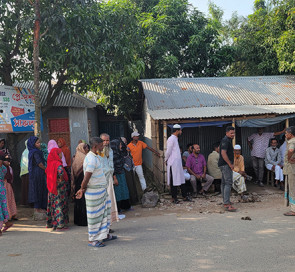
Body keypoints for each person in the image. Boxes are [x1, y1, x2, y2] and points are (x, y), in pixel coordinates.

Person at [76, 137, 117, 248]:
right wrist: (82, 188)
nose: (103, 146)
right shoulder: (91, 159)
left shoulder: (96, 156)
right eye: (101, 145)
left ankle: (104, 235)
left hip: (101, 191)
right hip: (94, 192)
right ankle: (93, 240)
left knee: (104, 214)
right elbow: (87, 177)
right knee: (95, 216)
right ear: (95, 146)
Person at [165, 124, 192, 204]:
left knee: (181, 179)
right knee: (174, 181)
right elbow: (168, 151)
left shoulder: (175, 138)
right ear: (177, 131)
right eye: (180, 130)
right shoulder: (171, 139)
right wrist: (165, 159)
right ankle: (174, 198)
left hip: (177, 163)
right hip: (173, 163)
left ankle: (184, 196)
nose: (181, 132)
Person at [46, 148, 69, 231]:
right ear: (56, 154)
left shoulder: (49, 163)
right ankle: (60, 225)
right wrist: (61, 178)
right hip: (59, 187)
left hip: (51, 188)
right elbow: (60, 172)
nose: (61, 155)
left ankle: (53, 223)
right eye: (60, 153)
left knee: (53, 205)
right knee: (59, 204)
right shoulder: (58, 164)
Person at [99, 133, 119, 224]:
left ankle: (108, 224)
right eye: (104, 141)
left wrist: (114, 178)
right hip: (101, 181)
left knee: (110, 202)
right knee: (103, 204)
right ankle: (104, 225)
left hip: (109, 179)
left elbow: (111, 166)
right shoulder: (97, 153)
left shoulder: (110, 150)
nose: (106, 142)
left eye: (107, 140)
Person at [28, 136, 48, 219]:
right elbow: (39, 163)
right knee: (38, 189)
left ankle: (39, 207)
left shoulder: (32, 151)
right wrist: (46, 169)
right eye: (37, 143)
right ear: (33, 144)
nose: (39, 144)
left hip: (36, 172)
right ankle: (38, 207)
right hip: (38, 172)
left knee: (38, 189)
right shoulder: (35, 152)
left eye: (39, 142)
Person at [218, 126, 236, 212]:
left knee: (224, 183)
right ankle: (227, 203)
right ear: (227, 133)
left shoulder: (227, 140)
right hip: (225, 165)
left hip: (223, 164)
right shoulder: (225, 140)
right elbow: (223, 153)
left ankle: (225, 200)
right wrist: (230, 164)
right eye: (231, 133)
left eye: (234, 133)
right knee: (228, 183)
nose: (233, 135)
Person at [71, 143, 89, 226]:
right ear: (82, 149)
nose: (87, 150)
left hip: (77, 182)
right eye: (86, 148)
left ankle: (78, 220)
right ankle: (84, 221)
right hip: (83, 182)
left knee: (78, 201)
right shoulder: (85, 158)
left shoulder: (75, 158)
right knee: (83, 201)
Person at [111, 138, 131, 212]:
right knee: (118, 192)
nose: (120, 146)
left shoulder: (119, 153)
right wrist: (115, 178)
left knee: (124, 190)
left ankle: (125, 206)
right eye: (119, 145)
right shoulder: (112, 155)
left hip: (121, 173)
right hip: (116, 175)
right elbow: (112, 167)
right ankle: (118, 208)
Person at [0, 151, 13, 236]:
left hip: (1, 190)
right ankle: (6, 222)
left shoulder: (3, 168)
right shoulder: (3, 168)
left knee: (2, 207)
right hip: (2, 189)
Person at [283, 126, 295, 216]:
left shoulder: (292, 142)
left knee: (292, 188)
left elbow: (291, 150)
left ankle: (293, 209)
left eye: (286, 133)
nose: (285, 135)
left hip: (291, 168)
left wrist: (289, 157)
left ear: (290, 134)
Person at [20, 140, 30, 206]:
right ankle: (29, 202)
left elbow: (21, 163)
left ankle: (25, 202)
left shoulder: (24, 151)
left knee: (25, 187)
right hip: (29, 172)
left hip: (23, 172)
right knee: (29, 188)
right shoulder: (30, 151)